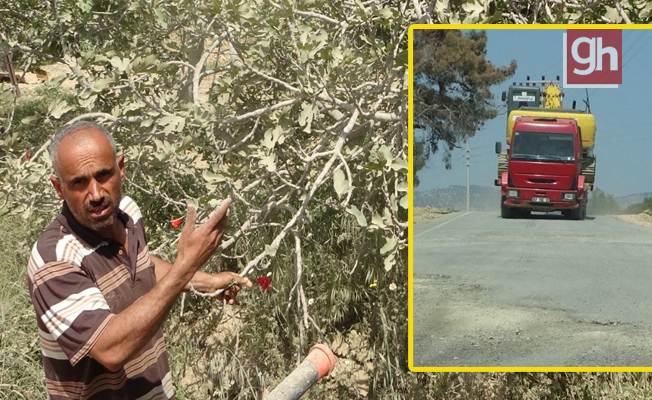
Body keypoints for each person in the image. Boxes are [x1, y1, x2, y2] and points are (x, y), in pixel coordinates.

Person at [27, 120, 251, 400]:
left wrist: (204, 282)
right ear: (59, 188)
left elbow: (142, 265)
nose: (95, 194)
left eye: (103, 175)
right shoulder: (54, 258)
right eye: (79, 183)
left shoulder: (127, 212)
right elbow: (109, 349)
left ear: (120, 169)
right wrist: (185, 267)